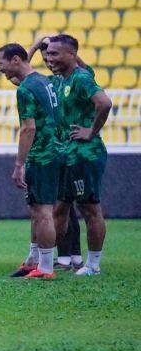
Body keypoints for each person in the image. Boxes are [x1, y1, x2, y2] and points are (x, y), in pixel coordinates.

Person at [44, 34, 112, 276]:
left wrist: (91, 131)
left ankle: (93, 264)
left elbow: (104, 103)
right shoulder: (62, 79)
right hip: (66, 154)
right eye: (48, 53)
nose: (48, 58)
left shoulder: (81, 78)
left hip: (84, 154)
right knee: (60, 208)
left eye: (54, 53)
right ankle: (47, 260)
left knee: (89, 209)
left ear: (72, 55)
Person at [0, 43, 61, 279]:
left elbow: (28, 128)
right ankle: (34, 261)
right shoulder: (44, 81)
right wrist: (32, 47)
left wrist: (19, 164)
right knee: (37, 209)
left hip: (42, 155)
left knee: (43, 211)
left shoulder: (25, 90)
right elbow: (23, 67)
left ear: (14, 60)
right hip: (55, 150)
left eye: (0, 63)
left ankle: (45, 268)